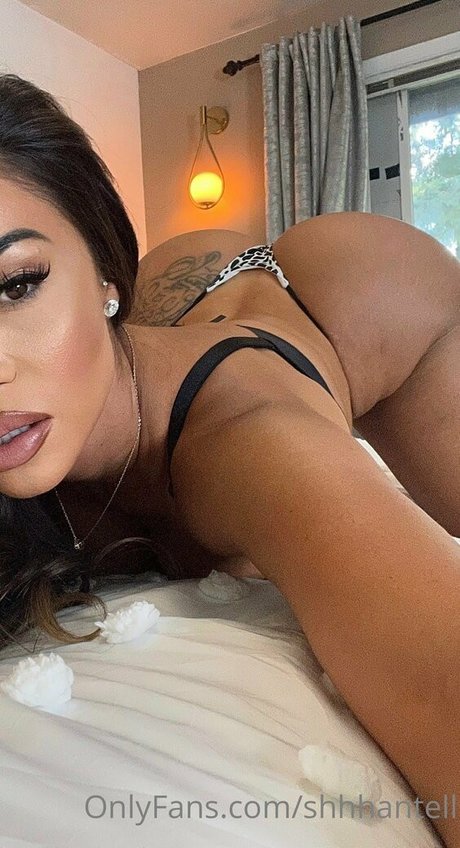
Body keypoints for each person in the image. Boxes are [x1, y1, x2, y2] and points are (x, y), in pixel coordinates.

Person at [0, 73, 458, 848]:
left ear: (107, 275)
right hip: (181, 282)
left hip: (368, 299)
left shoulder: (258, 445)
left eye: (16, 285)